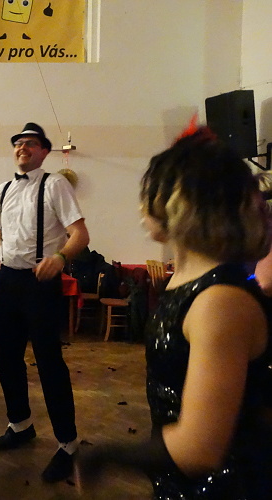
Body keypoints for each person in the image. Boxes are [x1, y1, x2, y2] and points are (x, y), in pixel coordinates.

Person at [79, 127, 272, 499]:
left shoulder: (220, 302)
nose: (141, 205)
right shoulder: (190, 282)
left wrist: (107, 454)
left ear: (183, 201)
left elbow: (199, 450)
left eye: (150, 191)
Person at [0, 122, 89, 483]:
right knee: (6, 359)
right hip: (7, 280)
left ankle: (68, 444)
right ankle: (20, 425)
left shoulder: (55, 184)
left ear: (44, 151)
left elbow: (80, 234)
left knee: (49, 362)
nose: (22, 147)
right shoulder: (3, 189)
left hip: (40, 282)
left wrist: (60, 258)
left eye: (30, 143)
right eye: (18, 143)